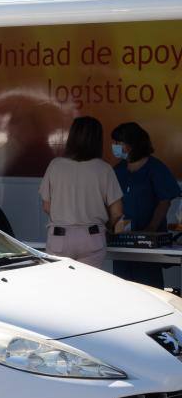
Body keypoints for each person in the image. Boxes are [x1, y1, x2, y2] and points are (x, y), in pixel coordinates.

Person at [39, 117, 123, 268]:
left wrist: (66, 214)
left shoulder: (55, 165)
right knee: (89, 288)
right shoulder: (104, 169)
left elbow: (46, 206)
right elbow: (117, 212)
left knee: (61, 287)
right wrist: (108, 227)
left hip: (59, 237)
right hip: (93, 237)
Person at [111, 122, 181, 287]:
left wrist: (151, 228)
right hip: (122, 239)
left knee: (149, 286)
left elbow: (165, 200)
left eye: (118, 143)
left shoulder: (155, 168)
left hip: (149, 240)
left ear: (132, 144)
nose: (114, 147)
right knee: (123, 286)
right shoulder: (118, 169)